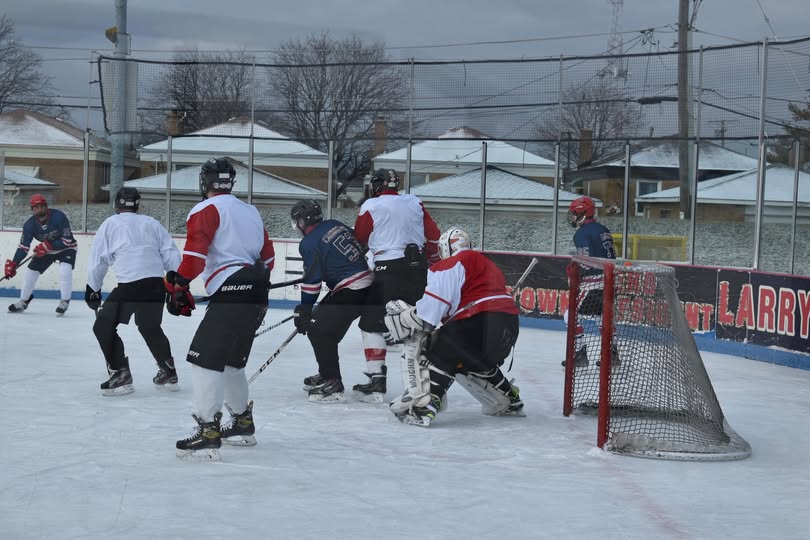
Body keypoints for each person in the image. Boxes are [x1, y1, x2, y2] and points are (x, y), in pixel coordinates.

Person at [166, 157, 275, 462]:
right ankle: (241, 423)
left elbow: (195, 257)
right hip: (256, 289)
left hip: (231, 290)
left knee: (204, 360)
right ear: (231, 183)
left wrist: (178, 285)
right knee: (231, 363)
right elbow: (268, 259)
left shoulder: (205, 209)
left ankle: (207, 430)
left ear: (204, 182)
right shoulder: (250, 211)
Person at [383, 227, 524, 427]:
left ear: (446, 248)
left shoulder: (450, 263)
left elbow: (430, 312)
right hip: (508, 327)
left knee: (437, 350)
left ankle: (424, 405)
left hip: (477, 321)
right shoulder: (487, 263)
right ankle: (509, 400)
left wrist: (406, 318)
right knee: (475, 362)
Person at [352, 168, 441, 401]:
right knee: (415, 325)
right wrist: (430, 261)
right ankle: (423, 385)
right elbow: (433, 236)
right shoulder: (415, 202)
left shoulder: (371, 205)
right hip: (417, 271)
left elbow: (359, 238)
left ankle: (377, 381)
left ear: (378, 185)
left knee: (371, 324)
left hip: (388, 271)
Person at [86, 187, 182, 396]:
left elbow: (98, 261)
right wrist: (174, 282)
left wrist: (93, 288)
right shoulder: (152, 223)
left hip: (130, 286)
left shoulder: (110, 224)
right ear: (137, 204)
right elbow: (171, 254)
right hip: (156, 285)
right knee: (150, 327)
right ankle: (168, 372)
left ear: (116, 204)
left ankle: (121, 374)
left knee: (102, 327)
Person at [290, 199, 383, 403]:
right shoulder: (335, 224)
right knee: (324, 327)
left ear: (302, 222)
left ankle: (332, 381)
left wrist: (305, 309)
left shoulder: (308, 243)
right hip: (366, 284)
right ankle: (326, 373)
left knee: (318, 329)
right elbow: (361, 244)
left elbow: (312, 281)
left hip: (352, 289)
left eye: (297, 221)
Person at [563, 195, 618, 368]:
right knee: (603, 318)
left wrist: (573, 273)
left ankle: (580, 354)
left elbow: (585, 263)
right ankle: (612, 355)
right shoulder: (603, 229)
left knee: (570, 316)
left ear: (582, 213)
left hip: (593, 283)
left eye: (574, 213)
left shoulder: (581, 234)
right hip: (609, 281)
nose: (572, 217)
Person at [4, 193, 78, 315]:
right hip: (46, 250)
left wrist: (48, 245)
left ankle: (64, 301)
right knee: (30, 272)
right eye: (36, 207)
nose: (39, 209)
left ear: (46, 206)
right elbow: (23, 247)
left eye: (41, 206)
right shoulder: (29, 225)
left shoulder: (59, 217)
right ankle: (23, 301)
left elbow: (67, 240)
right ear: (32, 209)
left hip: (66, 248)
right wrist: (14, 263)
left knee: (65, 270)